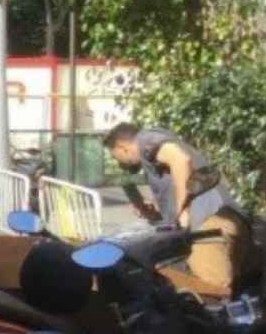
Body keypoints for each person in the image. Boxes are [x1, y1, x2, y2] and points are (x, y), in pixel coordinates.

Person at [102, 123, 256, 299]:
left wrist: (183, 210)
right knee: (230, 297)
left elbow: (181, 160)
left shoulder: (145, 138)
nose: (120, 163)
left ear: (122, 147)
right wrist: (154, 213)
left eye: (116, 157)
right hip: (224, 220)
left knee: (212, 296)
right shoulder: (155, 154)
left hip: (206, 226)